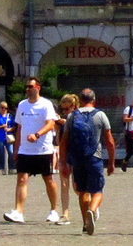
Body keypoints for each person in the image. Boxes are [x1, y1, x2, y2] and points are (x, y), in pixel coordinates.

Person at [3, 76, 61, 224]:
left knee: (48, 179)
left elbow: (51, 124)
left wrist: (37, 135)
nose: (28, 89)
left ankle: (54, 210)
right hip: (25, 150)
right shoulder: (22, 105)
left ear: (38, 88)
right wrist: (16, 148)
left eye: (30, 86)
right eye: (26, 87)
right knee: (21, 179)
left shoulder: (45, 104)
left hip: (43, 149)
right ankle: (19, 211)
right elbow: (19, 127)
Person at [60, 88, 116, 236]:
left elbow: (64, 142)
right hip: (95, 157)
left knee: (82, 191)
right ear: (93, 100)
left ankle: (86, 222)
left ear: (81, 100)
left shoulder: (72, 116)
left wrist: (63, 162)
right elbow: (110, 141)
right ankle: (92, 210)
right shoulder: (101, 115)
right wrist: (111, 162)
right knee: (97, 190)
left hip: (78, 158)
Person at [55, 93, 79, 226]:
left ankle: (91, 205)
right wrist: (58, 129)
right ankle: (65, 213)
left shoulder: (80, 119)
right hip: (65, 155)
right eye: (62, 109)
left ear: (74, 107)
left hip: (77, 155)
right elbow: (59, 142)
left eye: (66, 109)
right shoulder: (63, 122)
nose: (64, 112)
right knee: (64, 185)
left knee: (77, 187)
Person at [0, 102, 15, 174]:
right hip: (0, 137)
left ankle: (11, 168)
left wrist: (9, 129)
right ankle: (3, 169)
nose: (4, 109)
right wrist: (2, 126)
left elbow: (14, 126)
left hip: (8, 136)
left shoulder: (10, 116)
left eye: (5, 108)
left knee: (11, 152)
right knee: (2, 153)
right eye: (2, 108)